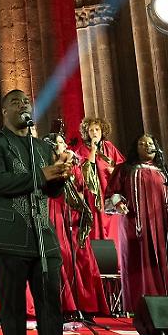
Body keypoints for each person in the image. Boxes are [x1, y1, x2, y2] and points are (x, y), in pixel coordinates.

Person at [0, 89, 85, 335]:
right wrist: (44, 174)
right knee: (12, 310)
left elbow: (50, 192)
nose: (23, 105)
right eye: (15, 101)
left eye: (26, 102)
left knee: (51, 309)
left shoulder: (40, 146)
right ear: (3, 111)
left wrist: (60, 174)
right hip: (8, 237)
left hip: (42, 237)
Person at [105, 134, 168, 316]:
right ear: (136, 148)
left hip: (162, 225)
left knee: (164, 260)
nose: (147, 146)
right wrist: (118, 203)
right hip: (136, 224)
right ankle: (140, 307)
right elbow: (112, 193)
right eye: (142, 144)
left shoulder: (165, 171)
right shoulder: (125, 170)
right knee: (139, 262)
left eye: (150, 143)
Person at [43, 132, 107, 317]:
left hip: (74, 216)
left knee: (81, 255)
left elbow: (82, 185)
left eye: (63, 142)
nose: (64, 146)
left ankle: (86, 305)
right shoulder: (48, 167)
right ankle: (65, 305)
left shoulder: (75, 165)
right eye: (59, 143)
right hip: (55, 211)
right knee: (62, 255)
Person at [76, 116, 124, 244]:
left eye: (97, 129)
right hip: (94, 195)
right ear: (87, 133)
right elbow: (83, 172)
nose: (94, 133)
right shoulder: (82, 150)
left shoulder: (109, 147)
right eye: (91, 130)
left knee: (114, 226)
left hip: (110, 192)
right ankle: (102, 260)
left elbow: (122, 168)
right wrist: (93, 149)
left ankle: (117, 260)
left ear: (102, 131)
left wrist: (114, 171)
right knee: (98, 226)